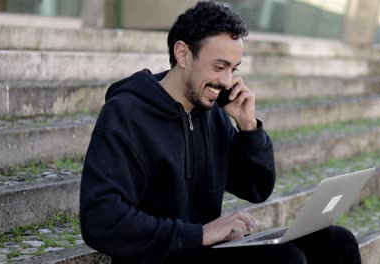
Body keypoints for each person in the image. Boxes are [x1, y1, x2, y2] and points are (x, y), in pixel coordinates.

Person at [79, 1, 362, 263]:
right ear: (183, 54)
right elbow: (102, 220)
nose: (227, 81)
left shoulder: (212, 114)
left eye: (234, 68)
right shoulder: (126, 115)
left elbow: (256, 188)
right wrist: (200, 234)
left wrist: (249, 128)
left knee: (337, 242)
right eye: (219, 67)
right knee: (285, 260)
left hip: (204, 249)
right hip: (160, 254)